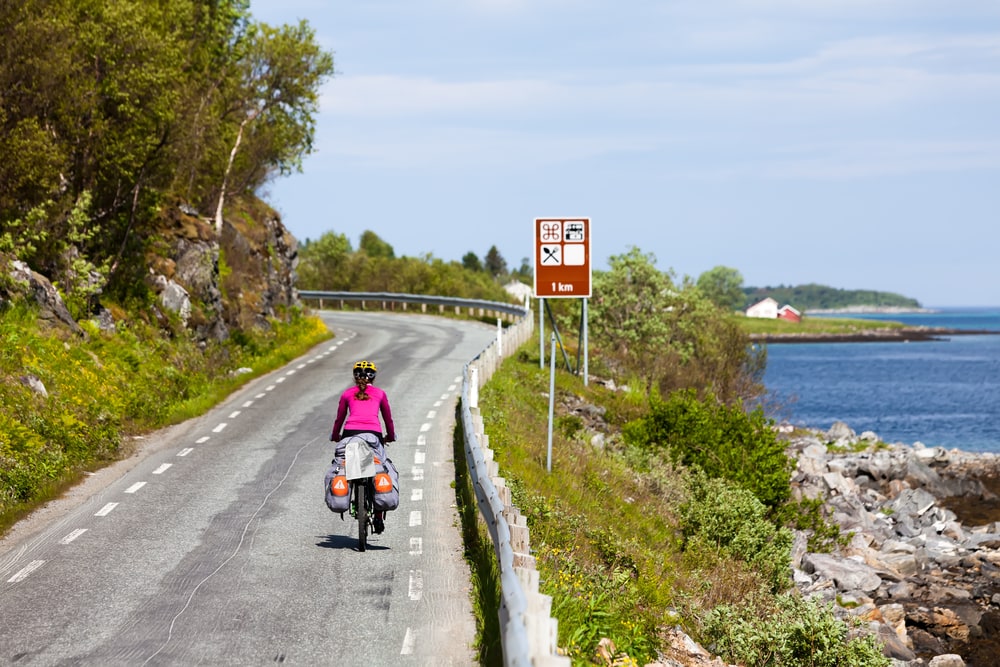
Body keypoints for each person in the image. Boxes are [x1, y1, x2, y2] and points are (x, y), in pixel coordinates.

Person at [330, 360, 396, 533]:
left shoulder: (346, 394)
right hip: (373, 436)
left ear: (354, 376)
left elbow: (339, 418)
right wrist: (390, 436)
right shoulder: (380, 394)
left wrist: (335, 435)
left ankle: (348, 492)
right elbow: (388, 419)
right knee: (382, 468)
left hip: (350, 435)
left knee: (342, 466)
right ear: (373, 377)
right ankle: (379, 515)